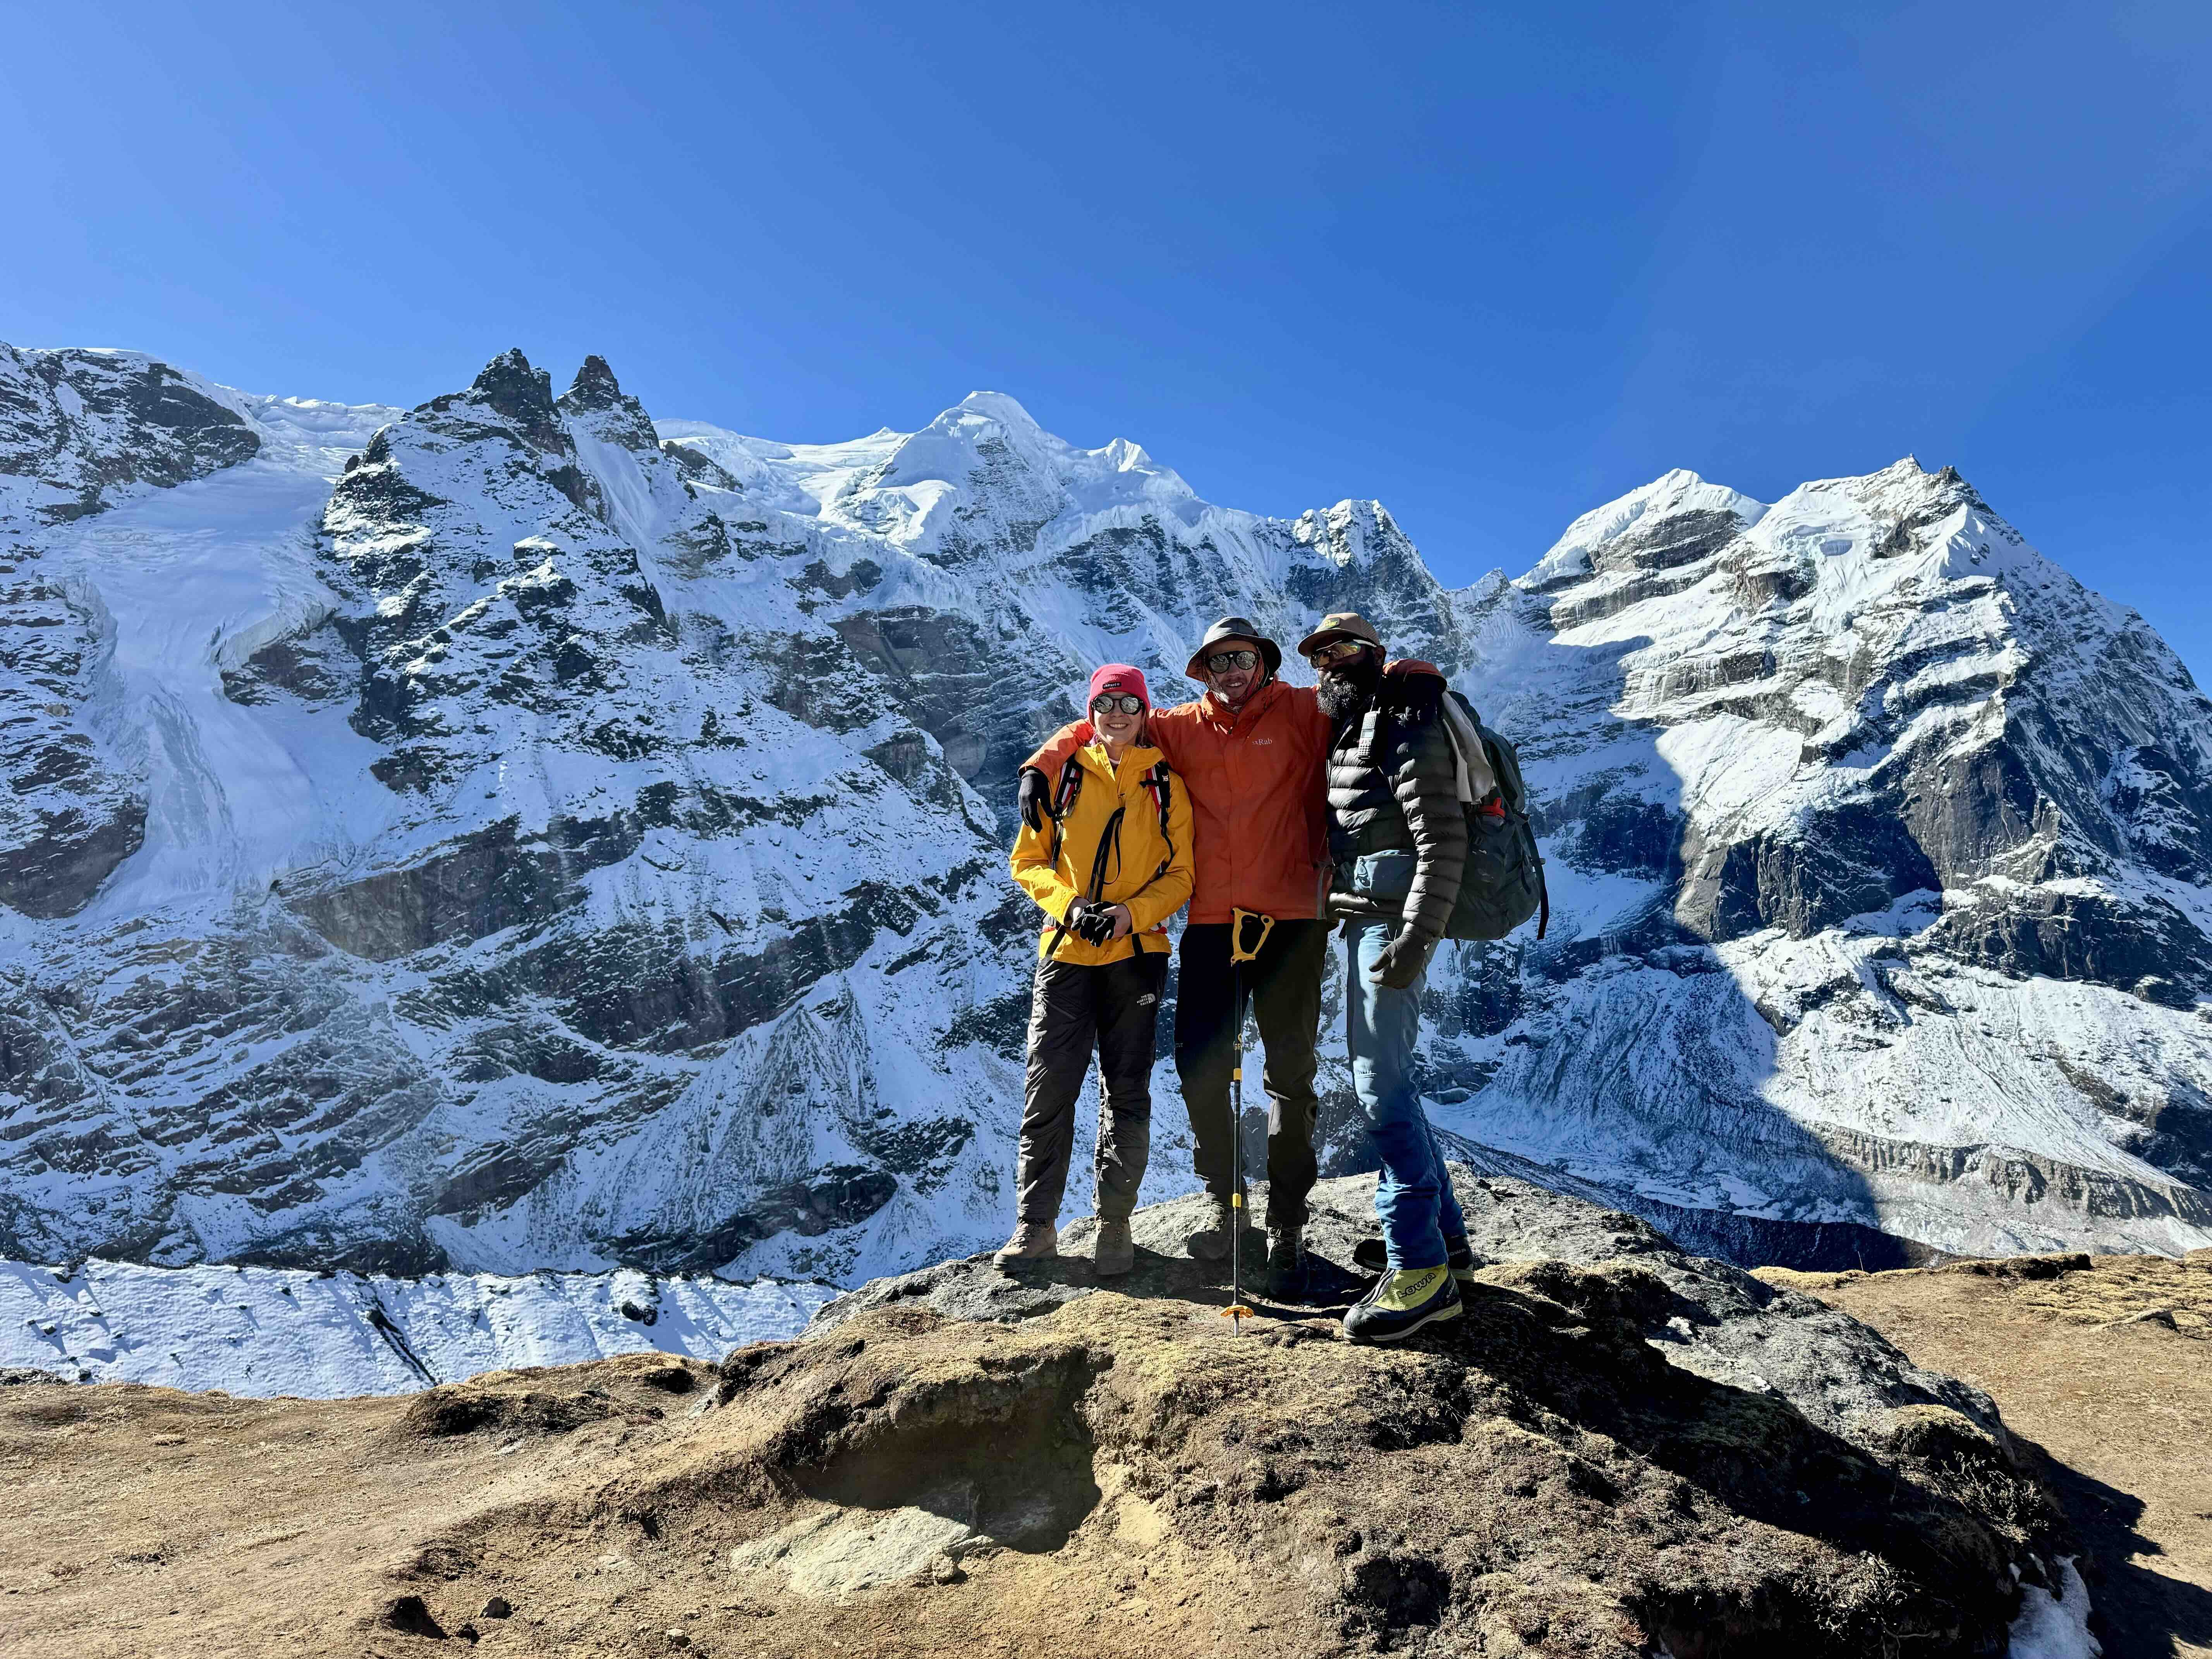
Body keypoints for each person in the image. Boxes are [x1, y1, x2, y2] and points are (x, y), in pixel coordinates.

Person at [1019, 618, 1443, 1300]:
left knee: (1291, 1074)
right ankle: (1224, 1197)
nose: (1230, 671)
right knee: (1198, 1065)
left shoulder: (1307, 710)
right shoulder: (1181, 727)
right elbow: (1108, 725)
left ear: (1265, 661)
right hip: (1213, 922)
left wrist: (1417, 675)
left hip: (1295, 919)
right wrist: (1042, 762)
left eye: (1241, 658)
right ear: (1203, 673)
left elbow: (1368, 684)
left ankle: (1286, 1221)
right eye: (1216, 663)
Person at [1301, 611, 1476, 1342]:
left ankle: (1419, 1272)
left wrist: (1413, 938)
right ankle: (1450, 1245)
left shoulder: (1407, 722)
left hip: (1392, 929)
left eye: (1341, 652)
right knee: (1391, 1077)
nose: (1328, 666)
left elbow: (1442, 840)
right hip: (1370, 919)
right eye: (1319, 656)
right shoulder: (1362, 723)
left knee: (1379, 1089)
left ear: (1374, 655)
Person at [999, 665, 1195, 1276]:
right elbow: (1028, 861)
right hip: (1065, 953)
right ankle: (1036, 1228)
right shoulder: (1063, 777)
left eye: (1128, 704)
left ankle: (1114, 1226)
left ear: (1144, 713)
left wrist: (1129, 917)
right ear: (1091, 711)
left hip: (1137, 956)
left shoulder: (1166, 783)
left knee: (1127, 1090)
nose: (1116, 714)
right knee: (1049, 1091)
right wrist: (1074, 908)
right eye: (1105, 703)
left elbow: (1183, 875)